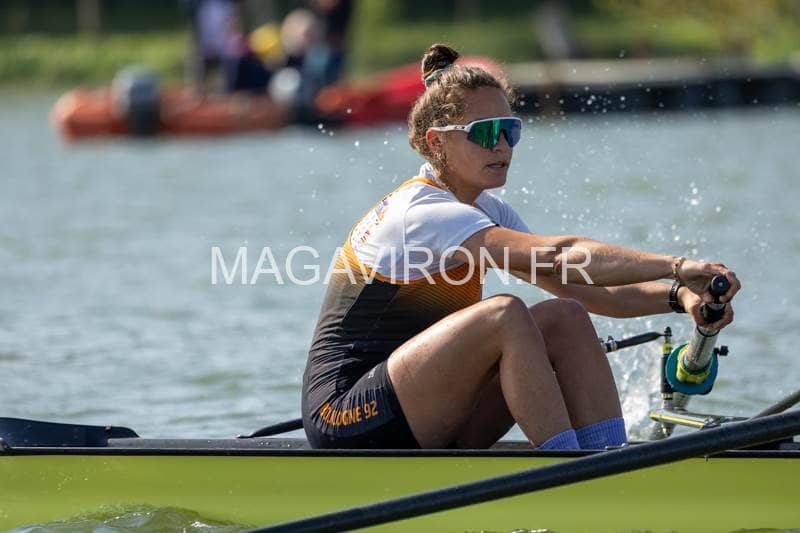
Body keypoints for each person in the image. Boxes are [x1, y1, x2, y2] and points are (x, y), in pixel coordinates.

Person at [301, 44, 741, 450]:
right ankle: (570, 473)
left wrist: (678, 296)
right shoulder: (421, 211)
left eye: (509, 130)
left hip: (424, 408)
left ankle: (610, 460)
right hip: (347, 418)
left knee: (566, 317)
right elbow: (559, 255)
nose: (502, 146)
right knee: (505, 314)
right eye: (484, 133)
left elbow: (585, 287)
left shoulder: (486, 211)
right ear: (437, 142)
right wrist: (676, 265)